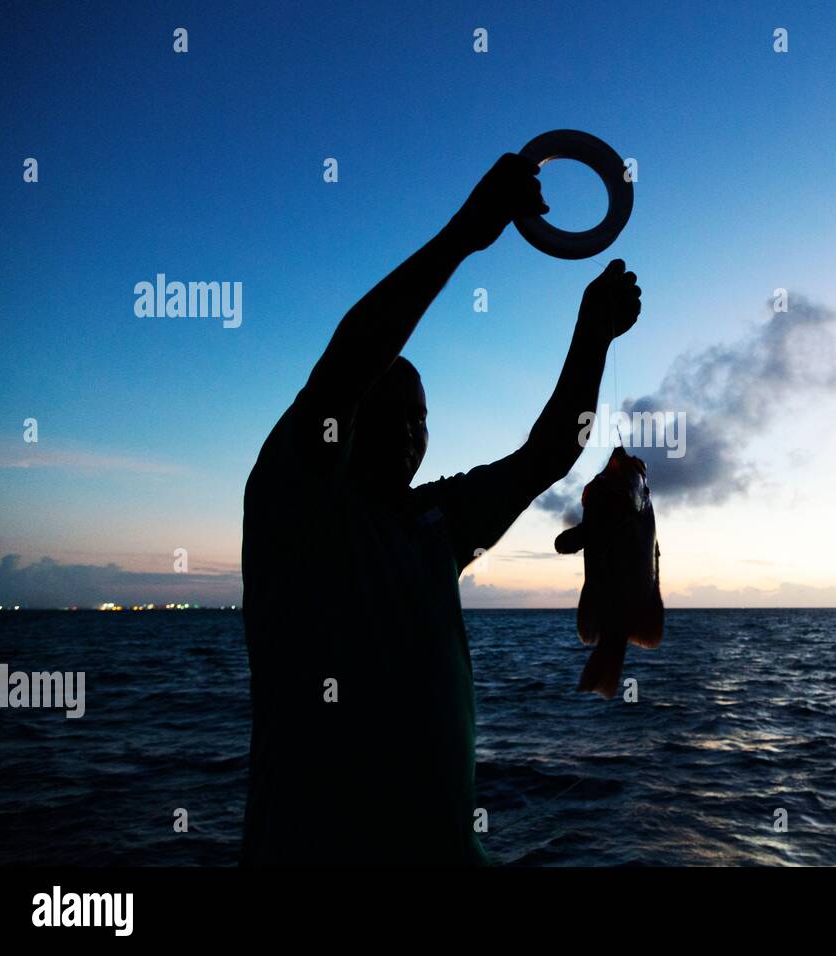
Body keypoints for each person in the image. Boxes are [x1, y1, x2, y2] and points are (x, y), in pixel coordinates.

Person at [239, 154, 641, 865]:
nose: (405, 430)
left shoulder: (437, 524)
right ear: (345, 424)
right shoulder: (293, 502)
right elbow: (345, 366)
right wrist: (465, 233)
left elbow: (548, 453)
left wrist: (594, 336)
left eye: (418, 419)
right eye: (384, 412)